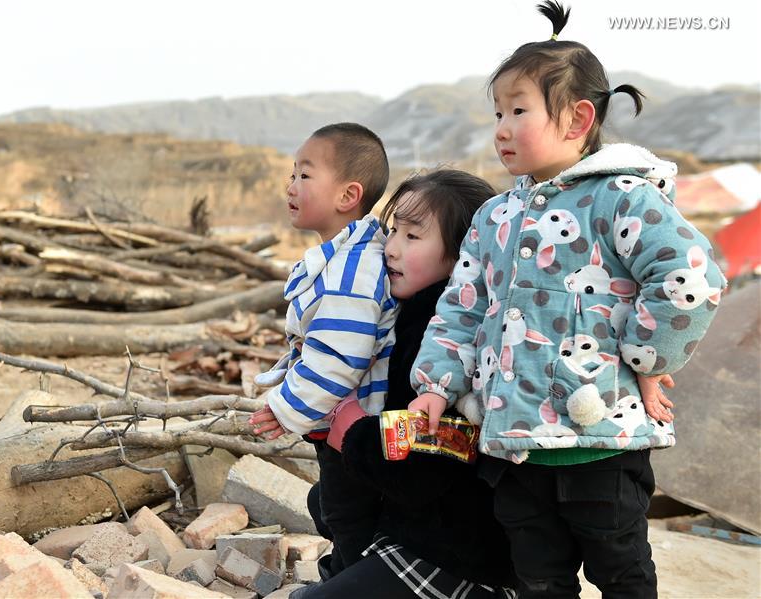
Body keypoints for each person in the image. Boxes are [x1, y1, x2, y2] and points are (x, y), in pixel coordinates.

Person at [408, 2, 727, 597]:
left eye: (518, 110)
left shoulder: (621, 198)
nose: (501, 128)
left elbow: (690, 276)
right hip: (513, 446)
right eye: (497, 112)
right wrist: (436, 384)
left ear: (578, 119)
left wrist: (647, 357)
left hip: (600, 440)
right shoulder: (494, 216)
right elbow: (462, 307)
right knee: (537, 579)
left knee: (621, 571)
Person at [297, 169, 517, 599]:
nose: (392, 248)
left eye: (413, 237)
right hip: (411, 524)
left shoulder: (449, 340)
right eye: (393, 230)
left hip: (458, 552)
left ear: (465, 256)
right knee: (325, 502)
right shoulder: (403, 314)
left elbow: (430, 466)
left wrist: (354, 432)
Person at [249, 122, 398, 576]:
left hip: (353, 424)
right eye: (292, 173)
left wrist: (287, 407)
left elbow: (339, 357)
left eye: (305, 175)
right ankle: (348, 569)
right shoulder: (341, 257)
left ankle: (348, 579)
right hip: (336, 417)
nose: (291, 186)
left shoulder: (354, 270)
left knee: (346, 511)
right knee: (332, 503)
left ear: (348, 195)